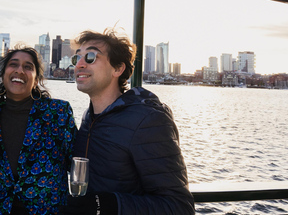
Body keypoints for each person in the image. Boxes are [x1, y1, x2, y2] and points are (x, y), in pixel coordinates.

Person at [61, 29, 195, 215]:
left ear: (118, 68)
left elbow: (179, 207)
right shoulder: (88, 118)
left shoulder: (147, 120)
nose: (79, 65)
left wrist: (108, 205)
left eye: (91, 56)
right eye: (77, 58)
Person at [0, 45, 77, 215]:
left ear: (36, 80)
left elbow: (77, 165)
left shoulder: (58, 113)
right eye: (13, 64)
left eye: (28, 67)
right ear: (3, 74)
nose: (19, 70)